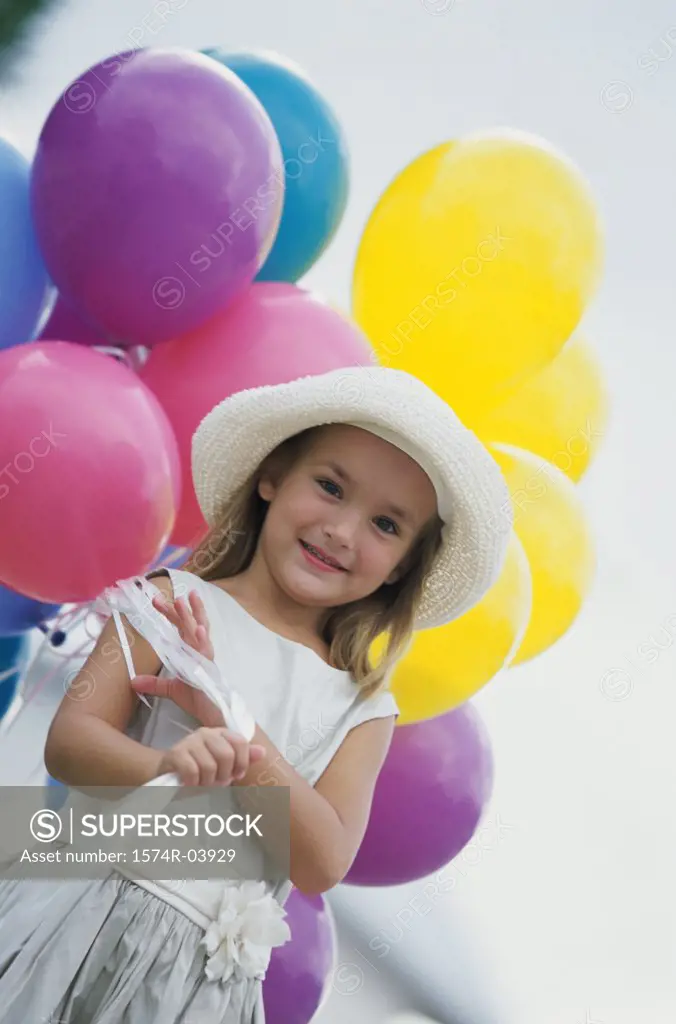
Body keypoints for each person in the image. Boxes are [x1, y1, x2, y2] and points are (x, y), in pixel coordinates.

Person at [0, 365, 512, 1023]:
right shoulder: (168, 603)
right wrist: (165, 768)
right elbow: (71, 743)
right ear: (272, 476)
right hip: (73, 915)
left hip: (192, 984)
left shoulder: (362, 711)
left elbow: (322, 860)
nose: (343, 531)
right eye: (330, 487)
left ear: (404, 565)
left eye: (386, 525)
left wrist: (235, 727)